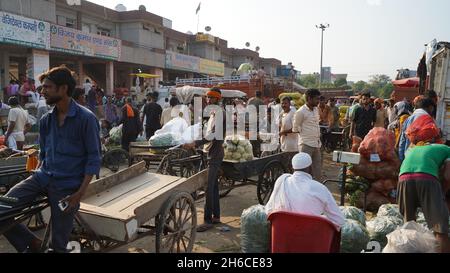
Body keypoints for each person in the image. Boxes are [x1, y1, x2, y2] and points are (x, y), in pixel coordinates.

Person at [0, 66, 101, 253]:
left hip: (67, 186)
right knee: (3, 209)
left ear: (63, 89)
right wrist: (35, 175)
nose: (42, 91)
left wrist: (78, 194)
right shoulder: (46, 120)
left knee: (59, 245)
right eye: (42, 87)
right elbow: (44, 153)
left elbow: (94, 159)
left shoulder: (86, 119)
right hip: (42, 177)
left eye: (47, 87)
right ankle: (32, 243)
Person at [265, 153, 345, 229]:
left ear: (293, 169)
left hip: (282, 236)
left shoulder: (282, 181)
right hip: (310, 238)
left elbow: (268, 210)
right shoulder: (320, 188)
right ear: (310, 168)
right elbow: (339, 220)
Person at [183, 87, 225, 232]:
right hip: (211, 152)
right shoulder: (213, 114)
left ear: (217, 99)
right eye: (207, 98)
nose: (208, 100)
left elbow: (214, 135)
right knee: (213, 187)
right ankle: (217, 217)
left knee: (209, 187)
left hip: (216, 154)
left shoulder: (220, 114)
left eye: (211, 98)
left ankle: (208, 220)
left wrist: (195, 143)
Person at [398, 144, 450, 253]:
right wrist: (442, 194)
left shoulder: (422, 149)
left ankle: (408, 249)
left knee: (409, 224)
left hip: (403, 178)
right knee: (439, 228)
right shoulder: (448, 151)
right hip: (426, 176)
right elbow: (447, 176)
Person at [292, 89, 322, 180]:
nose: (318, 101)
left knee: (317, 170)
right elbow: (295, 128)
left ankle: (317, 189)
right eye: (317, 99)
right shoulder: (300, 112)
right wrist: (306, 134)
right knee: (303, 171)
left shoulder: (316, 109)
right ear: (309, 98)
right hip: (306, 144)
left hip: (316, 144)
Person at [278, 97, 299, 161]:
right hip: (284, 144)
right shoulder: (282, 113)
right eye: (282, 103)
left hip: (293, 146)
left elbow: (296, 129)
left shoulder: (293, 113)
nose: (284, 105)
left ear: (289, 104)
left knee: (292, 163)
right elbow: (280, 125)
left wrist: (283, 132)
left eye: (285, 103)